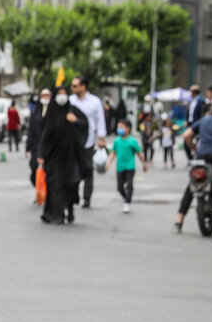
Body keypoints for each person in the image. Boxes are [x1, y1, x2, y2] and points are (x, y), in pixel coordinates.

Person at [174, 96, 212, 233]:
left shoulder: (204, 120)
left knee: (192, 186)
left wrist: (194, 148)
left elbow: (186, 135)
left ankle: (179, 221)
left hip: (201, 156)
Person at [38, 86, 91, 225]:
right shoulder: (51, 113)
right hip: (54, 158)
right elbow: (44, 135)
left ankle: (70, 209)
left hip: (72, 157)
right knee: (55, 185)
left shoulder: (73, 111)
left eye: (64, 93)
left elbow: (84, 125)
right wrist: (41, 154)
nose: (62, 96)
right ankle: (58, 214)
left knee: (72, 184)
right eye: (59, 94)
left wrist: (75, 121)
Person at [68, 76, 106, 208]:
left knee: (87, 169)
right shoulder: (70, 101)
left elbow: (100, 120)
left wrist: (101, 138)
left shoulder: (94, 102)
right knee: (73, 169)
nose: (72, 88)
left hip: (88, 141)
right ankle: (73, 196)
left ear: (83, 86)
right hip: (72, 142)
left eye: (75, 86)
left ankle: (87, 198)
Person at [105, 120, 147, 214]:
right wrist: (108, 163)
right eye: (118, 127)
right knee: (119, 187)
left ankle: (127, 202)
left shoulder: (132, 141)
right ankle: (126, 198)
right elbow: (113, 153)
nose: (119, 129)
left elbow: (139, 153)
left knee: (129, 184)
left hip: (130, 166)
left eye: (121, 127)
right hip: (120, 167)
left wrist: (144, 163)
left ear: (128, 129)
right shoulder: (116, 141)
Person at [26, 89, 51, 188]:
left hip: (50, 146)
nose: (45, 98)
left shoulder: (54, 111)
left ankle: (47, 192)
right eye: (43, 96)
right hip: (37, 145)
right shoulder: (37, 111)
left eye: (47, 96)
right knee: (34, 167)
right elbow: (31, 130)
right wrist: (28, 147)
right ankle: (39, 188)